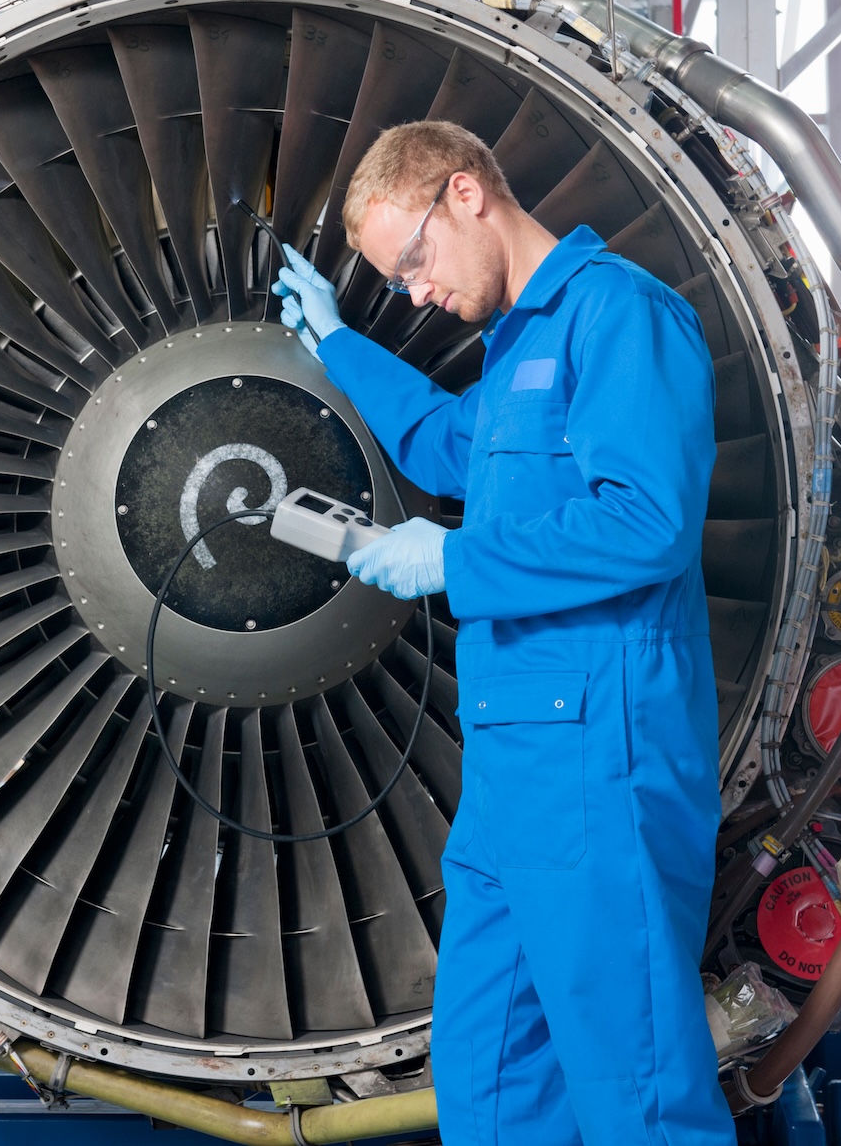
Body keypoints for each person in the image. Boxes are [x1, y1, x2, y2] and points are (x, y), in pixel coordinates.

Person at [274, 120, 732, 1145]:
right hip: (508, 774)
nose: (416, 293)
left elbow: (645, 520)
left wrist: (450, 560)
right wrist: (339, 344)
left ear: (466, 193)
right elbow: (450, 443)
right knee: (486, 1083)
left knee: (638, 1093)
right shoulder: (521, 344)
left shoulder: (616, 314)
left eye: (412, 261)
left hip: (596, 765)